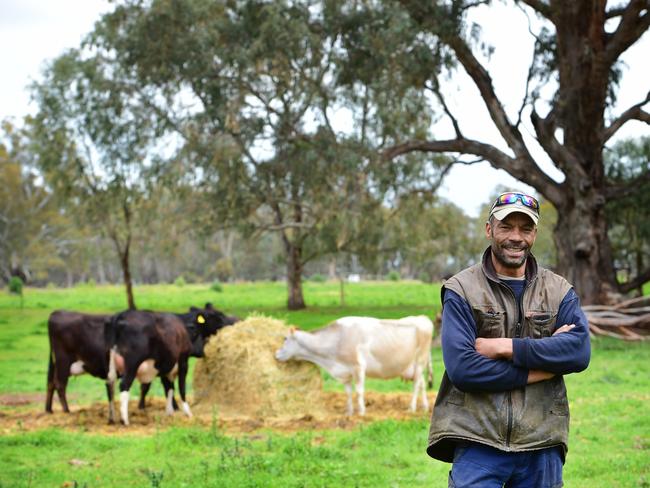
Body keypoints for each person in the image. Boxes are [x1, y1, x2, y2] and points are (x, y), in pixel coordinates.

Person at [426, 191, 591, 488]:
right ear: (489, 229)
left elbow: (578, 353)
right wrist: (544, 368)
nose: (516, 237)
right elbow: (464, 370)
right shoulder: (461, 289)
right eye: (506, 227)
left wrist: (504, 347)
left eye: (525, 228)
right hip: (477, 439)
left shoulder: (559, 290)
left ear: (535, 234)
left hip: (541, 441)